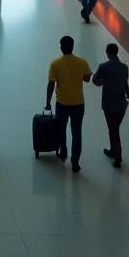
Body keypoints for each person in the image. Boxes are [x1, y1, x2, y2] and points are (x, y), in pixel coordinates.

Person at [45, 36, 92, 173]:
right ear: (73, 46)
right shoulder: (82, 62)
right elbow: (88, 78)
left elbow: (51, 84)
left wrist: (48, 103)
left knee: (61, 129)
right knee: (77, 133)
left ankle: (63, 151)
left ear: (61, 47)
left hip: (62, 103)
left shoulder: (55, 64)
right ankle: (75, 162)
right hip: (78, 103)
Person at [92, 43, 129, 168]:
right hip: (122, 104)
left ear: (107, 53)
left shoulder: (104, 67)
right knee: (114, 128)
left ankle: (117, 156)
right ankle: (114, 149)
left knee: (113, 130)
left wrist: (102, 82)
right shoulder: (125, 67)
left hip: (109, 104)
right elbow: (125, 84)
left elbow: (95, 80)